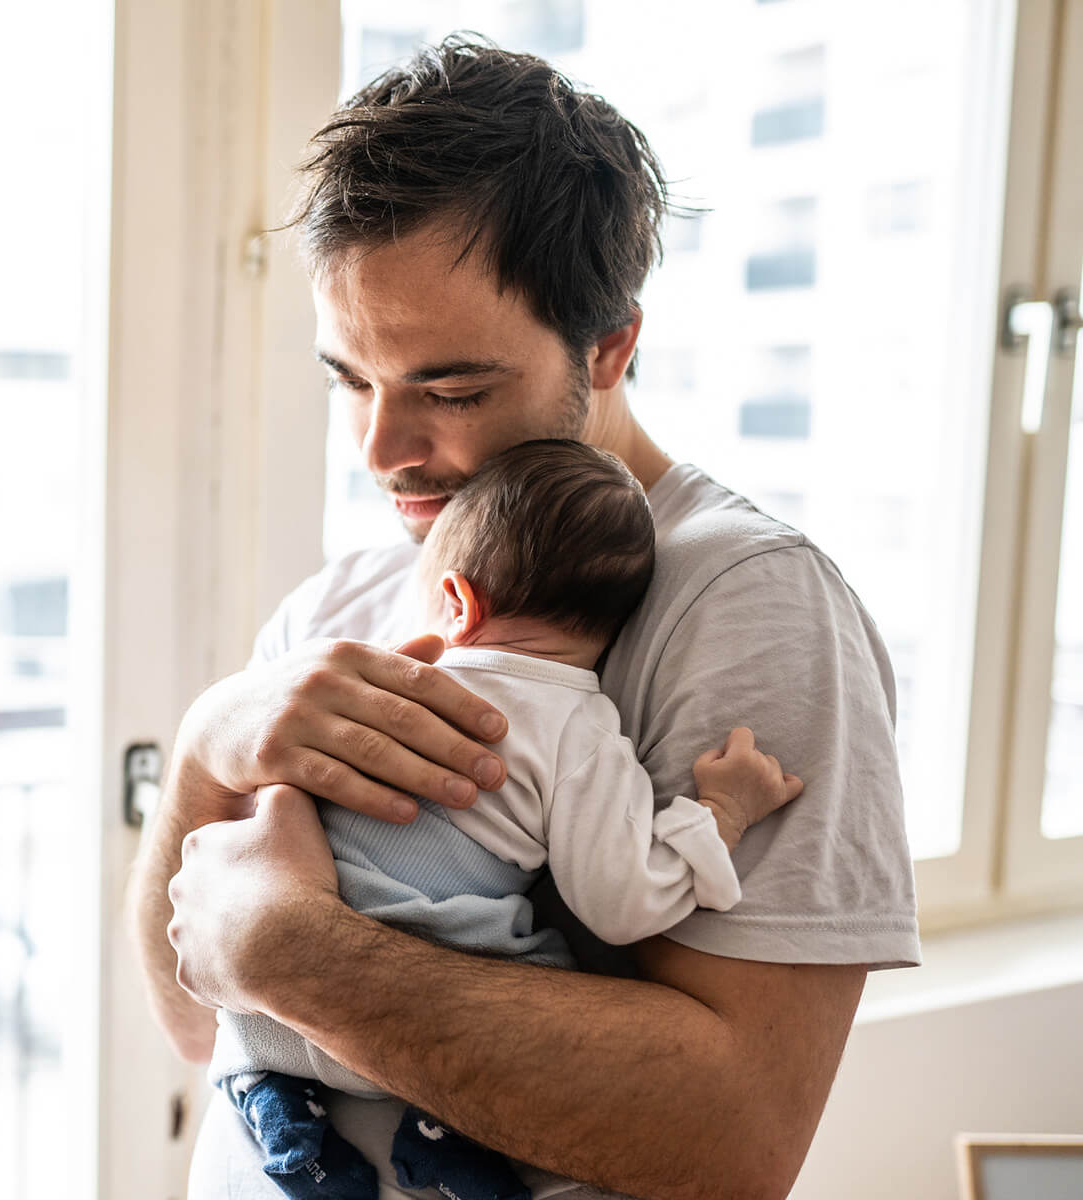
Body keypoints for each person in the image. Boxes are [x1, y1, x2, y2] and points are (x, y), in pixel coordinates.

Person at [133, 35, 920, 1200]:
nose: (382, 451)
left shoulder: (748, 603)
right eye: (350, 378)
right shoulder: (339, 599)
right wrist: (206, 745)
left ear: (609, 349)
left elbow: (733, 1141)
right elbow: (192, 1028)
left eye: (450, 389)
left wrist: (286, 951)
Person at [209, 438, 805, 1200]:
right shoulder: (579, 731)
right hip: (409, 992)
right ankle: (444, 1131)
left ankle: (273, 1103)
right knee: (549, 978)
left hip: (263, 1014)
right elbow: (625, 906)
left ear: (456, 602)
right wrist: (720, 812)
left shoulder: (376, 675)